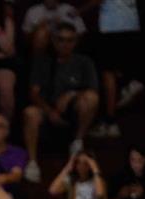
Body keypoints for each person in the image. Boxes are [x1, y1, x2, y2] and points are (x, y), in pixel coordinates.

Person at [22, 22, 99, 181]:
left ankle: (77, 142)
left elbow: (92, 91)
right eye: (61, 40)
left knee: (90, 99)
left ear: (76, 42)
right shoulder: (42, 61)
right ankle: (32, 162)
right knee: (30, 113)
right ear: (53, 41)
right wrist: (49, 111)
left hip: (73, 112)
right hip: (47, 111)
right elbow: (33, 93)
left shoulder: (84, 62)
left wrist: (71, 94)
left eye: (70, 40)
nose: (65, 44)